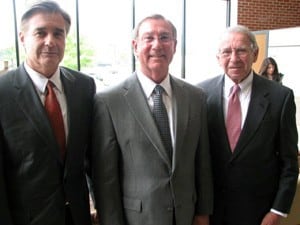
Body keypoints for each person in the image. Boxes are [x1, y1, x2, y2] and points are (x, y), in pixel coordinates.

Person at [91, 14, 213, 225]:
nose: (157, 45)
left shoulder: (196, 97)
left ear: (174, 46)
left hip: (186, 215)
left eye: (165, 37)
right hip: (137, 218)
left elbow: (202, 161)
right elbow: (105, 177)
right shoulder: (109, 101)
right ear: (135, 46)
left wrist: (203, 213)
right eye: (149, 38)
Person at [0, 1, 96, 225]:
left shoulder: (84, 86)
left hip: (78, 216)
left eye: (58, 33)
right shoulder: (3, 93)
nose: (50, 41)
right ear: (22, 38)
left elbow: (91, 156)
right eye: (40, 33)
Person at [197, 25, 299, 225]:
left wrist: (277, 211)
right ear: (218, 57)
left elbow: (289, 162)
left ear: (255, 54)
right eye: (226, 51)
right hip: (211, 213)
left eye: (241, 50)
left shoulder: (280, 97)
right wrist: (199, 211)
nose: (234, 58)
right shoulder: (199, 95)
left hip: (260, 214)